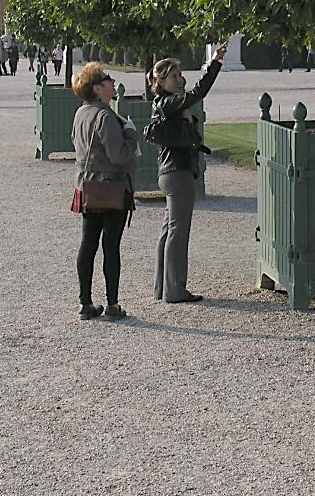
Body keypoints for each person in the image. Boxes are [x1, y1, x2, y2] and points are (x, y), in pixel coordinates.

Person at [149, 42, 226, 304]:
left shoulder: (162, 103)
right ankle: (174, 289)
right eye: (174, 76)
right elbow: (198, 92)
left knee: (170, 229)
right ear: (161, 81)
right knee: (178, 231)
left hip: (169, 172)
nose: (180, 79)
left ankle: (163, 287)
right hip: (178, 171)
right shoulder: (169, 103)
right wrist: (214, 64)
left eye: (180, 75)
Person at [71, 62, 139, 320]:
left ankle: (85, 303)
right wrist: (131, 135)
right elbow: (118, 155)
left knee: (88, 243)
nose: (113, 83)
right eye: (107, 80)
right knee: (111, 246)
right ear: (97, 89)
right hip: (111, 186)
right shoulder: (106, 117)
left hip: (86, 185)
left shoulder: (81, 112)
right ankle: (112, 304)